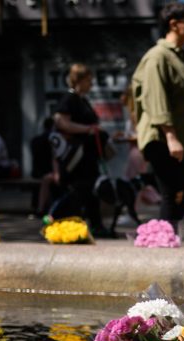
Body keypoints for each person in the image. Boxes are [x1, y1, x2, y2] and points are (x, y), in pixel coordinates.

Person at [132, 2, 184, 233]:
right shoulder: (157, 56)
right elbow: (156, 99)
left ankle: (166, 237)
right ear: (174, 24)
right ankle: (162, 246)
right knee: (172, 193)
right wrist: (171, 137)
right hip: (163, 137)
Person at [51, 64, 111, 236]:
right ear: (79, 80)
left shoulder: (82, 100)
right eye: (88, 81)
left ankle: (95, 225)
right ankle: (69, 225)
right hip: (75, 159)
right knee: (78, 191)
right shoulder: (68, 100)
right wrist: (87, 130)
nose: (91, 84)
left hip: (88, 157)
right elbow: (61, 123)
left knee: (90, 190)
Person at [29, 117, 57, 217]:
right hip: (48, 172)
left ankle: (40, 208)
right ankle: (42, 208)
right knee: (46, 181)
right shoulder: (54, 140)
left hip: (37, 172)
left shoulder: (35, 140)